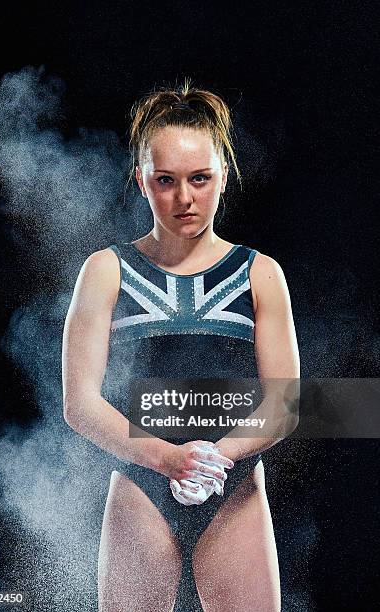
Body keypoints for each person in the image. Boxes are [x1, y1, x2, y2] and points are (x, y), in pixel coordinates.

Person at [62, 80, 300, 612]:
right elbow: (80, 404)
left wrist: (217, 459)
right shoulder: (106, 272)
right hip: (142, 484)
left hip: (233, 488)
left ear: (224, 176)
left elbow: (285, 403)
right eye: (166, 180)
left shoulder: (260, 275)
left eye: (200, 179)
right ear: (141, 179)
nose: (185, 199)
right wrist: (170, 460)